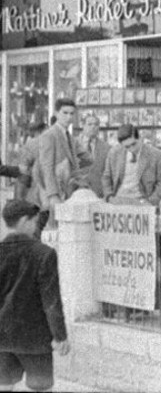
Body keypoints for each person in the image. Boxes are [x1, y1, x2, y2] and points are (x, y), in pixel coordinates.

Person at [0, 200, 70, 393]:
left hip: (2, 337)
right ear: (24, 221)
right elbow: (51, 301)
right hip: (35, 339)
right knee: (40, 387)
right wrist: (60, 336)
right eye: (34, 221)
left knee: (4, 385)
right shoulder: (44, 254)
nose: (36, 226)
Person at [36, 99, 90, 227]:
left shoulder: (70, 137)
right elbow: (47, 167)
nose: (69, 117)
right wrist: (52, 195)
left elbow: (88, 159)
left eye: (72, 114)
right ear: (56, 113)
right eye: (65, 113)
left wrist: (74, 171)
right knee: (55, 230)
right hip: (55, 191)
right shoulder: (49, 135)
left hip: (69, 189)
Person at [101, 124, 161, 206]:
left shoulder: (156, 155)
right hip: (118, 199)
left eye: (134, 144)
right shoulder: (113, 153)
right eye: (127, 147)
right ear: (121, 145)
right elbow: (106, 177)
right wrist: (109, 197)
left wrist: (152, 202)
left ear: (140, 138)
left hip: (143, 201)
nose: (132, 149)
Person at [70, 114, 110, 199]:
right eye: (89, 124)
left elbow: (107, 172)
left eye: (96, 124)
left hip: (97, 193)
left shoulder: (106, 147)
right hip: (75, 192)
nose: (93, 127)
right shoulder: (72, 144)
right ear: (83, 125)